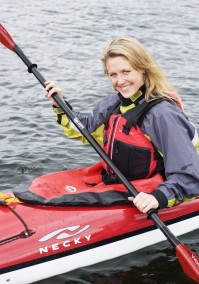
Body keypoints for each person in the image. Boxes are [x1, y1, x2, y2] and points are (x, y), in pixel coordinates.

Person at [45, 36, 199, 213]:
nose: (120, 81)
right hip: (119, 184)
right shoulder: (113, 104)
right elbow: (86, 130)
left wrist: (158, 198)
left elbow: (188, 174)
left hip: (152, 191)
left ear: (143, 69)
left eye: (126, 72)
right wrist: (61, 105)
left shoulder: (162, 114)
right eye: (113, 75)